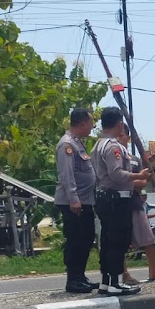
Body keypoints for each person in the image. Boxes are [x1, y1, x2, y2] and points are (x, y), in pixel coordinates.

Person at [91, 107, 150, 295]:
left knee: (108, 241)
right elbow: (116, 174)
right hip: (116, 200)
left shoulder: (98, 144)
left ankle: (106, 281)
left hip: (104, 198)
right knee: (118, 241)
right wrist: (138, 175)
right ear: (119, 124)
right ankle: (115, 282)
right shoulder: (113, 146)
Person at [113, 122, 155, 284]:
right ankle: (125, 274)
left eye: (121, 135)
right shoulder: (113, 157)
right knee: (121, 241)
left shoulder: (134, 160)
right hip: (117, 203)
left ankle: (152, 272)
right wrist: (134, 182)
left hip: (134, 202)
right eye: (116, 136)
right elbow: (116, 181)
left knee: (148, 238)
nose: (118, 139)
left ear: (128, 138)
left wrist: (132, 183)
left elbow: (143, 182)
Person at [54, 108, 99, 294]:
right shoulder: (67, 145)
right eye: (90, 123)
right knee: (76, 240)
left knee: (86, 239)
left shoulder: (78, 143)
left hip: (85, 201)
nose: (92, 127)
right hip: (74, 202)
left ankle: (80, 276)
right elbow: (67, 175)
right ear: (82, 123)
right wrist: (74, 199)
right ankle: (73, 280)